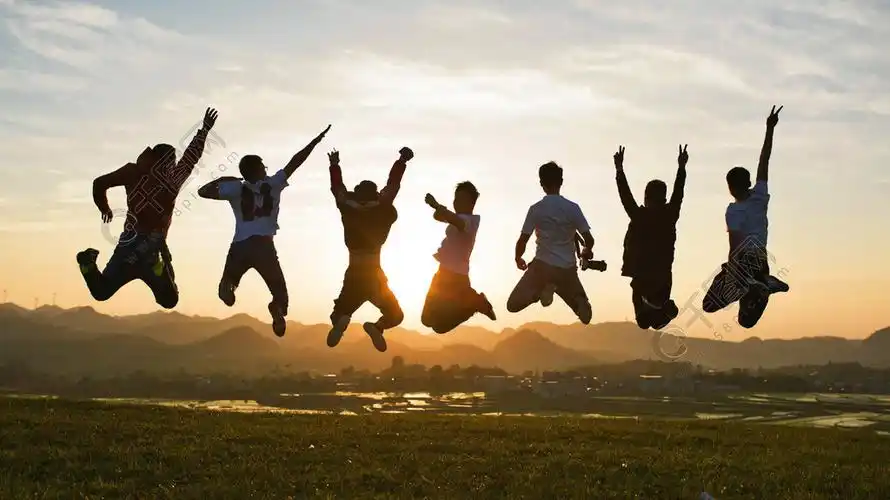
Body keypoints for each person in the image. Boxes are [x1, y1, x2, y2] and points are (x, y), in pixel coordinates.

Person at [76, 108, 218, 309]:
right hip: (153, 245)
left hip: (128, 245)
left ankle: (88, 264)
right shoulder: (171, 180)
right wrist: (204, 131)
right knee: (169, 299)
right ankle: (157, 265)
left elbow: (99, 183)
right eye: (173, 161)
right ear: (169, 162)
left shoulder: (132, 172)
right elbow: (190, 158)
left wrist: (105, 208)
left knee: (101, 292)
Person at [196, 125, 331, 337]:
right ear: (259, 169)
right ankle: (277, 309)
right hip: (264, 247)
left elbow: (202, 191)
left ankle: (228, 285)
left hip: (240, 246)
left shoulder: (236, 188)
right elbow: (295, 162)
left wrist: (225, 179)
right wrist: (315, 142)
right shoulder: (274, 183)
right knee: (281, 294)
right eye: (263, 166)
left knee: (231, 279)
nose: (266, 168)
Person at [702, 105, 790, 328]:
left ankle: (755, 284)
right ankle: (761, 284)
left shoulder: (734, 211)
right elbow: (764, 160)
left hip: (744, 263)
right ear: (748, 183)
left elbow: (735, 244)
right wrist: (769, 129)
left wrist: (732, 269)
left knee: (708, 306)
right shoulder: (760, 196)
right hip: (759, 261)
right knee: (745, 322)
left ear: (730, 187)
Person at [325, 147, 413, 352]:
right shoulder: (381, 206)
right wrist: (401, 160)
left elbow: (337, 188)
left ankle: (343, 318)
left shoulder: (347, 206)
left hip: (354, 273)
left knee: (337, 314)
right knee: (396, 315)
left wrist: (334, 165)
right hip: (375, 275)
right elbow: (393, 185)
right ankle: (376, 326)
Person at [506, 161, 594, 324]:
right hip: (567, 270)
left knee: (513, 304)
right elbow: (589, 240)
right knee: (586, 318)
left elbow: (523, 240)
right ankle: (574, 298)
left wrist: (518, 258)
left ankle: (541, 292)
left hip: (542, 267)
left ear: (541, 184)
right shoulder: (572, 208)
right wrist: (585, 251)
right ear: (561, 181)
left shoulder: (536, 209)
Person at [615, 144, 688, 330]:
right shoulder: (670, 215)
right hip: (662, 279)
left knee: (643, 323)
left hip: (641, 280)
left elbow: (626, 197)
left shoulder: (639, 216)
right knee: (654, 323)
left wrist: (619, 170)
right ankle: (660, 306)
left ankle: (659, 306)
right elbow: (678, 194)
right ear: (664, 199)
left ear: (646, 198)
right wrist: (681, 168)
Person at [420, 182, 496, 334]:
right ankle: (473, 301)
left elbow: (457, 221)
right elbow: (439, 216)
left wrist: (436, 205)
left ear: (471, 203)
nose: (456, 202)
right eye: (455, 199)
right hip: (442, 274)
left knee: (439, 327)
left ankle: (475, 303)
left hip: (456, 280)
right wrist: (439, 210)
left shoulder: (471, 221)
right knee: (426, 320)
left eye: (461, 199)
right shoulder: (456, 217)